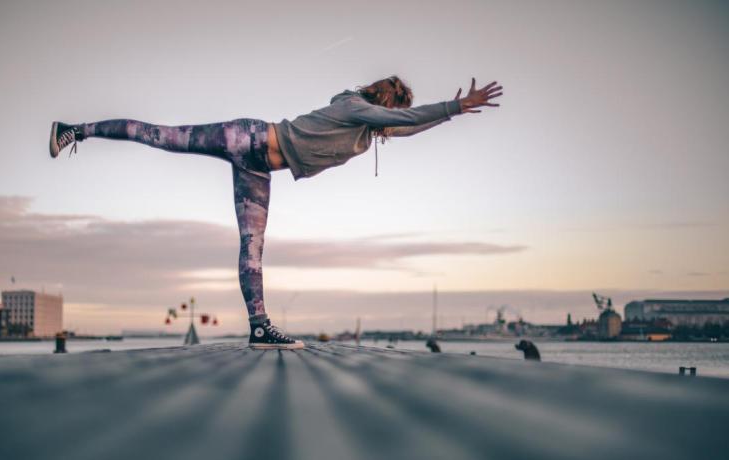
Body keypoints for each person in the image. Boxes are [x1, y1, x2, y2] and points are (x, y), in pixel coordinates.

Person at [48, 76, 503, 350]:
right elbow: (404, 121)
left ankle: (260, 328)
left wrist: (450, 116)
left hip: (259, 167)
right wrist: (454, 104)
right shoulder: (352, 106)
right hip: (245, 137)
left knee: (253, 247)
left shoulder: (368, 130)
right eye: (395, 111)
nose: (394, 120)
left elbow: (408, 128)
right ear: (387, 102)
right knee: (161, 137)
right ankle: (75, 130)